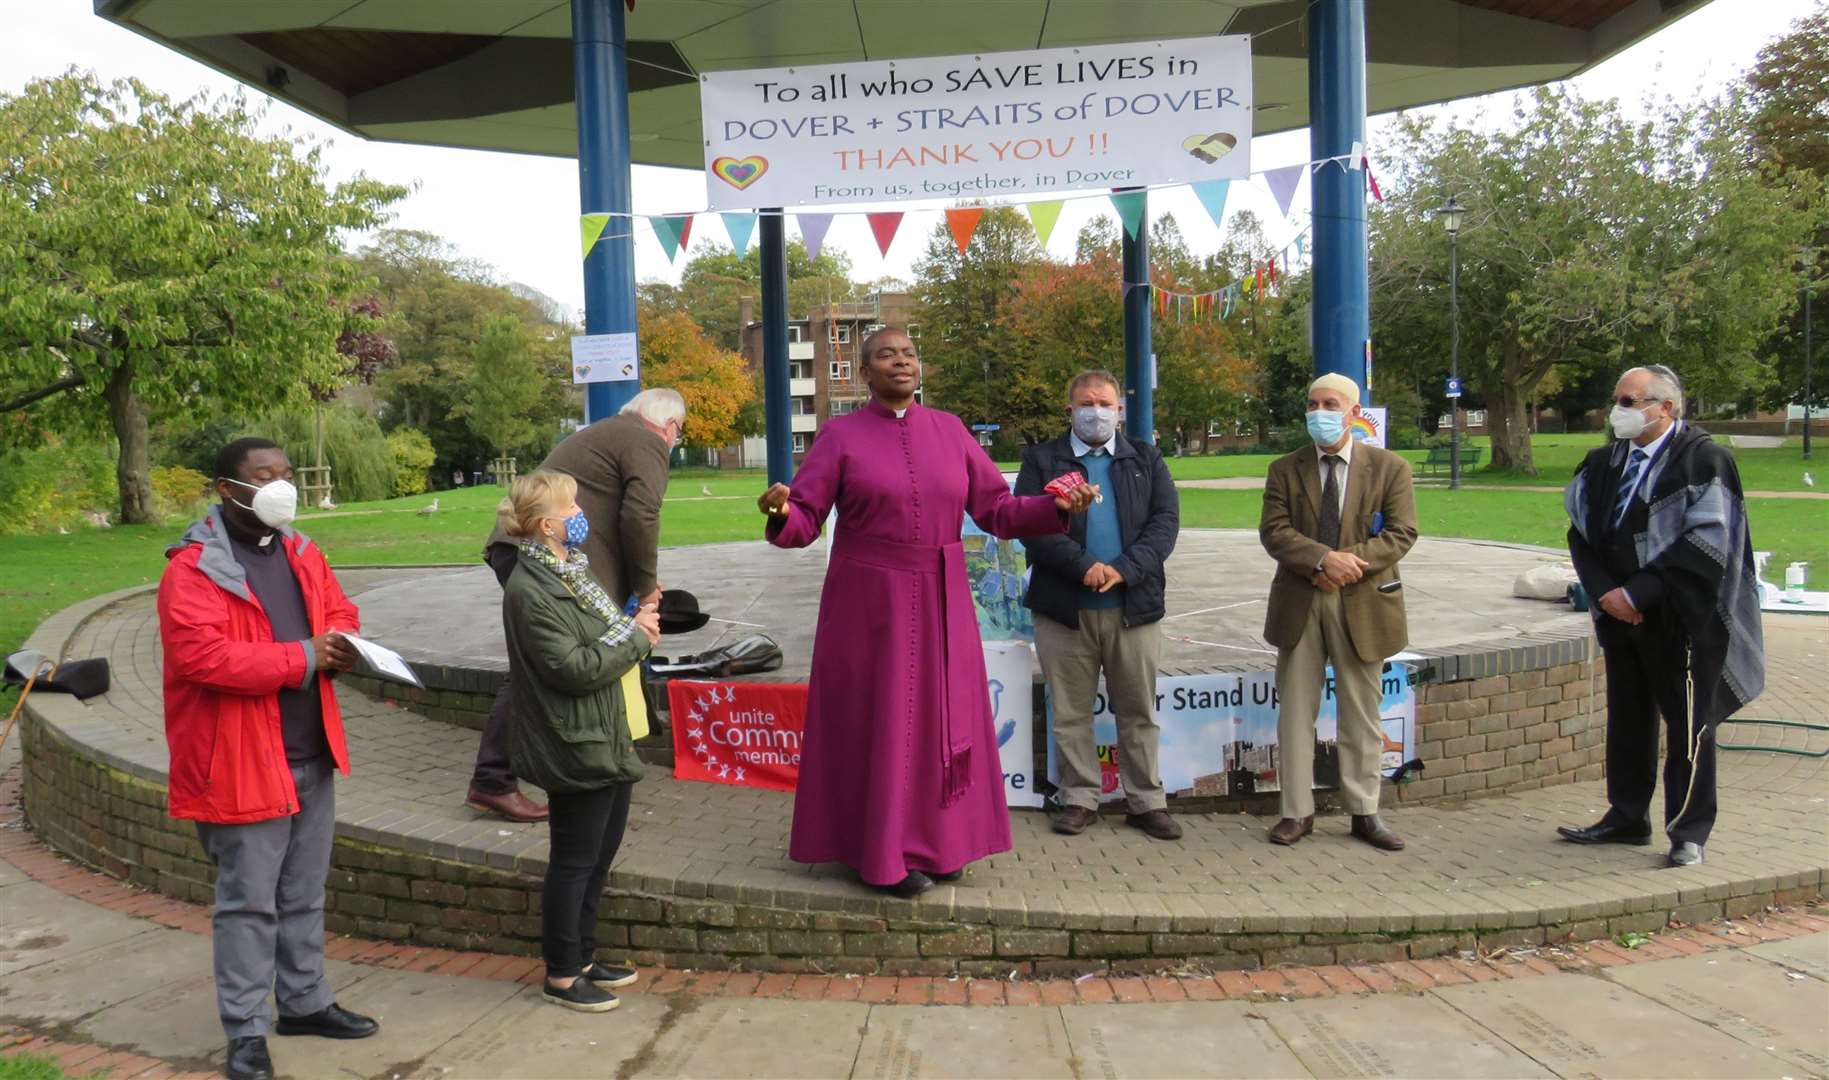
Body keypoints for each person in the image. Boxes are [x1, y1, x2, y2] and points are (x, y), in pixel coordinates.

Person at [757, 328, 1096, 897]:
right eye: (887, 355)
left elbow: (999, 510)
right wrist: (781, 511)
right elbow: (805, 521)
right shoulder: (840, 437)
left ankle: (940, 845)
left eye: (910, 353)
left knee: (943, 723)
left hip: (942, 599)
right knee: (884, 722)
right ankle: (880, 854)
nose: (902, 362)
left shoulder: (951, 431)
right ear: (864, 373)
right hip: (867, 605)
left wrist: (1053, 505)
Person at [158, 438, 378, 1080]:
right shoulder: (192, 570)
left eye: (285, 473)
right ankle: (246, 1030)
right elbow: (205, 659)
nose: (282, 485)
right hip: (240, 760)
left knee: (304, 894)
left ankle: (306, 1003)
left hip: (311, 751)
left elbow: (339, 609)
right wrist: (307, 656)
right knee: (249, 903)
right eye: (265, 476)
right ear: (228, 489)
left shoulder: (303, 551)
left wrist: (344, 638)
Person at [1558, 365, 1765, 867]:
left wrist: (1638, 593)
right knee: (1628, 719)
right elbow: (1581, 533)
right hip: (1619, 617)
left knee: (1689, 726)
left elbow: (1707, 542)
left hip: (1683, 620)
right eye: (1617, 400)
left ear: (1664, 408)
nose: (1617, 411)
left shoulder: (1704, 461)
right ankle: (1626, 816)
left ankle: (1688, 831)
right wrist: (1607, 593)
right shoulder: (1602, 462)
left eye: (1629, 402)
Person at [465, 388, 685, 822]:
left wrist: (635, 581)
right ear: (670, 426)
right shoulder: (648, 442)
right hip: (537, 547)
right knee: (545, 664)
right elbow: (641, 515)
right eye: (678, 433)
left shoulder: (611, 431)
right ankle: (498, 777)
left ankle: (577, 756)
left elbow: (615, 519)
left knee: (556, 656)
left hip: (526, 544)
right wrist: (644, 590)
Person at [498, 470, 662, 1012]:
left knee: (599, 855)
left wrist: (635, 624)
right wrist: (636, 639)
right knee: (574, 860)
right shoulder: (531, 589)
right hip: (576, 738)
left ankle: (585, 956)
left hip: (608, 729)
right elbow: (571, 669)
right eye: (572, 509)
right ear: (547, 525)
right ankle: (563, 974)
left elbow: (602, 634)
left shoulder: (572, 571)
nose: (580, 516)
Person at [1016, 370, 1182, 840]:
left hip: (1134, 607)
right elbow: (1030, 523)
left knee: (1138, 712)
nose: (1097, 411)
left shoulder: (1145, 458)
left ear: (1119, 410)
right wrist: (1084, 565)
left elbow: (1165, 523)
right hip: (1064, 608)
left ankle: (1147, 801)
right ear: (1070, 409)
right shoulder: (1042, 460)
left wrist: (1124, 568)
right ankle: (1079, 797)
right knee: (1069, 711)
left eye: (1105, 403)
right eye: (1087, 403)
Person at [1258, 374, 1417, 851]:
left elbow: (1402, 532)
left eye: (1330, 404)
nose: (1319, 412)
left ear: (1353, 412)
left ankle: (1365, 812)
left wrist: (1349, 565)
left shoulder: (1390, 467)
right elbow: (1275, 531)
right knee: (1296, 713)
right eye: (1312, 403)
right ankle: (1295, 812)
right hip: (1301, 599)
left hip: (1364, 603)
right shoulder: (1285, 469)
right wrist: (1322, 561)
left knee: (1361, 715)